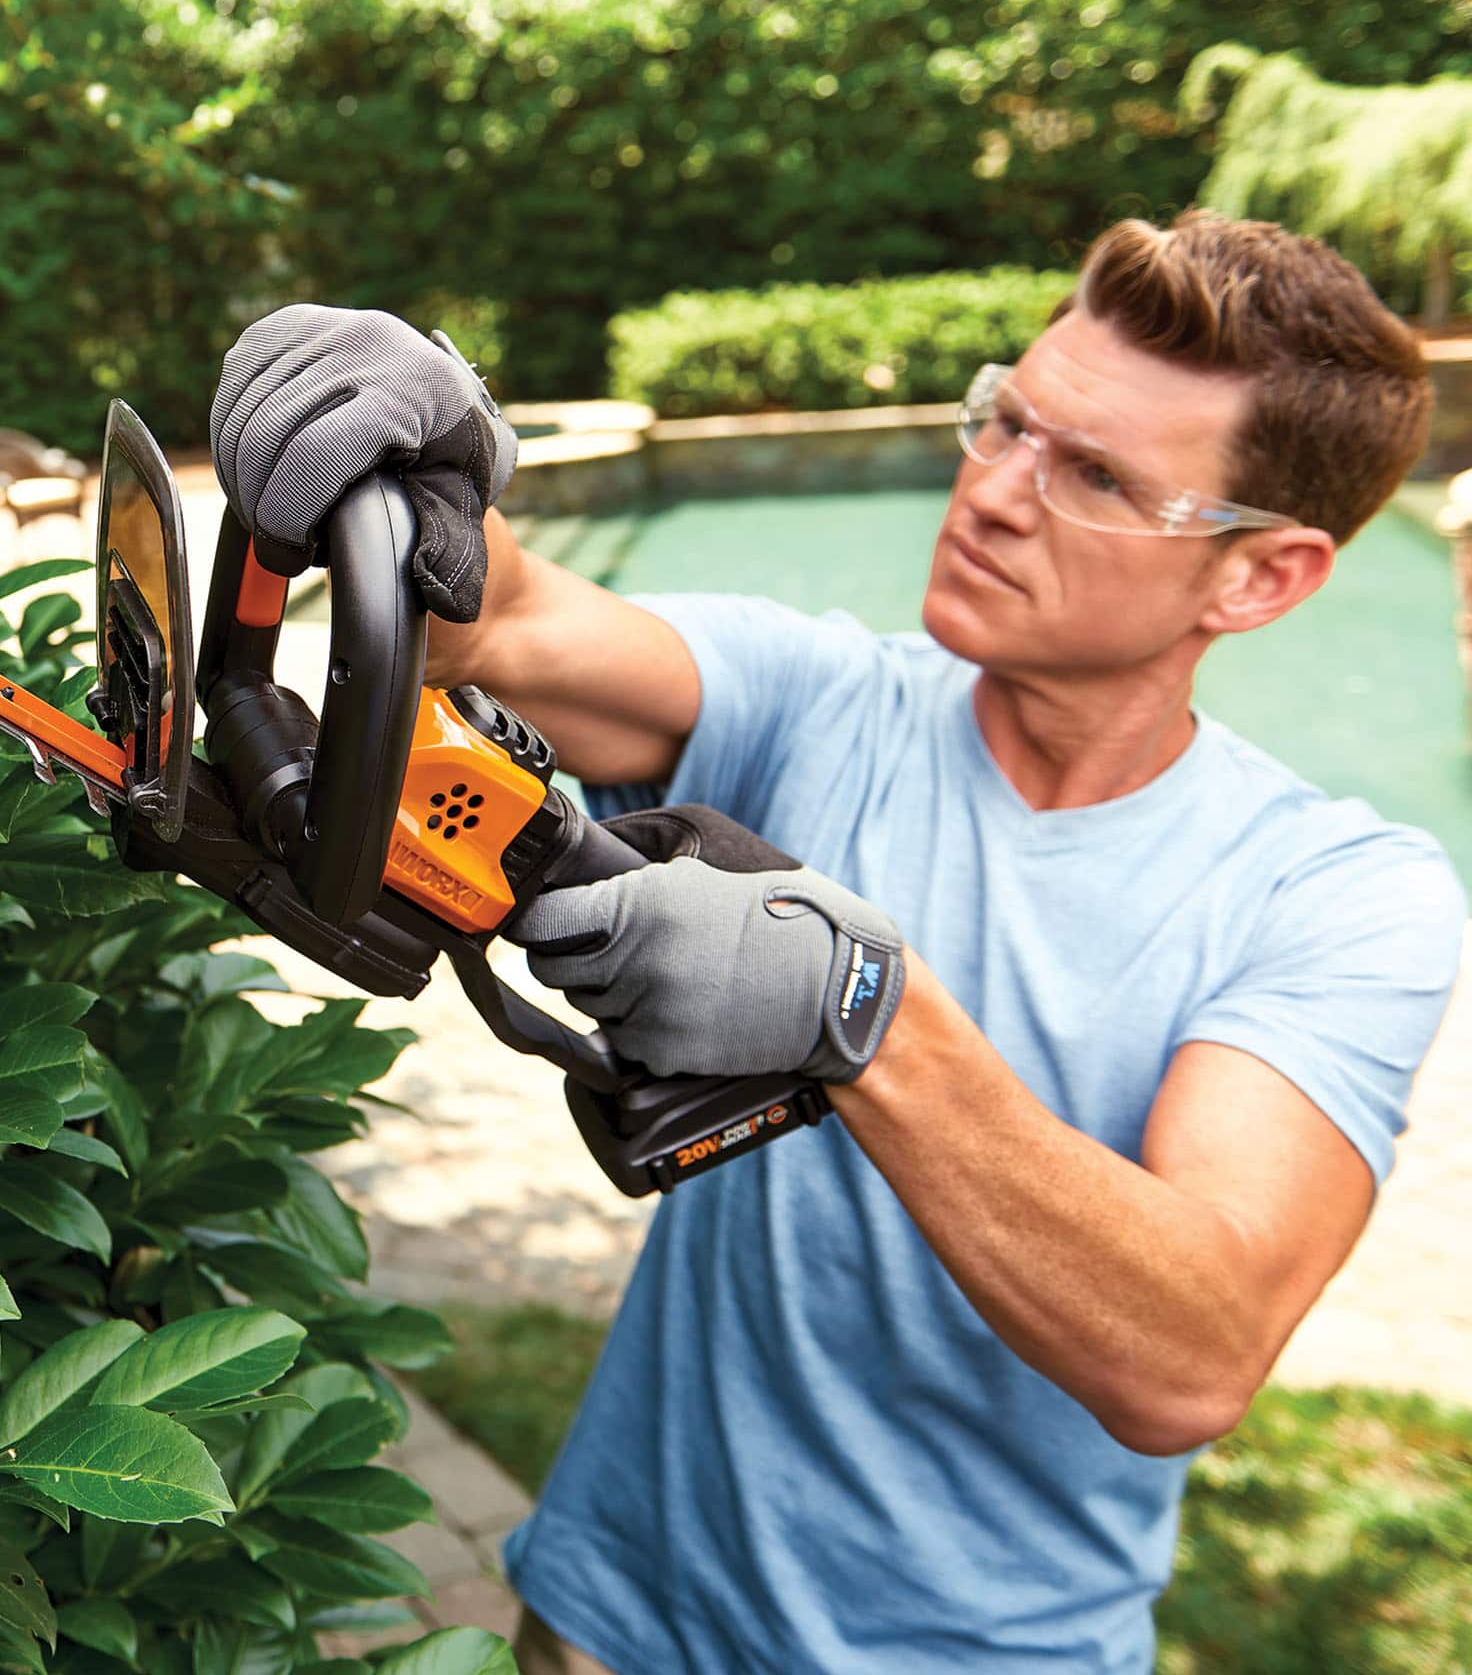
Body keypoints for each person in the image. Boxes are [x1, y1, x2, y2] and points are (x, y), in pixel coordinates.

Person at [208, 210, 1467, 1675]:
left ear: (1261, 578)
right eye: (1008, 421)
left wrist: (862, 1008)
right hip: (606, 1620)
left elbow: (1191, 1355)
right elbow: (506, 619)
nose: (994, 492)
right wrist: (410, 437)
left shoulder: (1334, 895)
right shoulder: (825, 697)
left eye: (1097, 477)